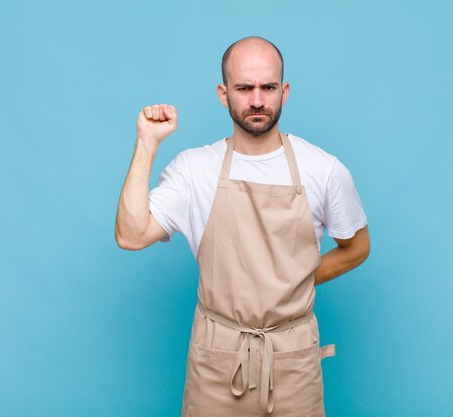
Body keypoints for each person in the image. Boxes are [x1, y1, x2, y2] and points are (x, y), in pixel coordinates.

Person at [115, 36, 370, 417]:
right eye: (244, 88)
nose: (256, 100)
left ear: (284, 91)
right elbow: (130, 236)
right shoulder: (193, 169)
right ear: (223, 93)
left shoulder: (324, 170)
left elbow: (357, 247)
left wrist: (292, 281)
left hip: (292, 359)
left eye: (268, 87)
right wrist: (147, 144)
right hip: (216, 361)